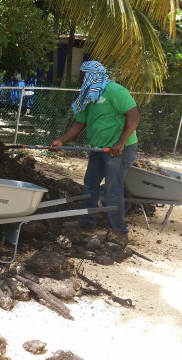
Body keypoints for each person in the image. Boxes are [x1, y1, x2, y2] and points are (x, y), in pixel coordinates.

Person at [50, 60, 139, 247]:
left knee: (113, 188)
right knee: (90, 184)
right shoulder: (90, 94)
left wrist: (120, 142)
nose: (81, 79)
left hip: (118, 150)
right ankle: (87, 222)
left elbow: (134, 116)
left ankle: (119, 231)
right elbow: (79, 123)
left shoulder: (115, 91)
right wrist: (62, 140)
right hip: (98, 149)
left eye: (84, 75)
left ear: (93, 74)